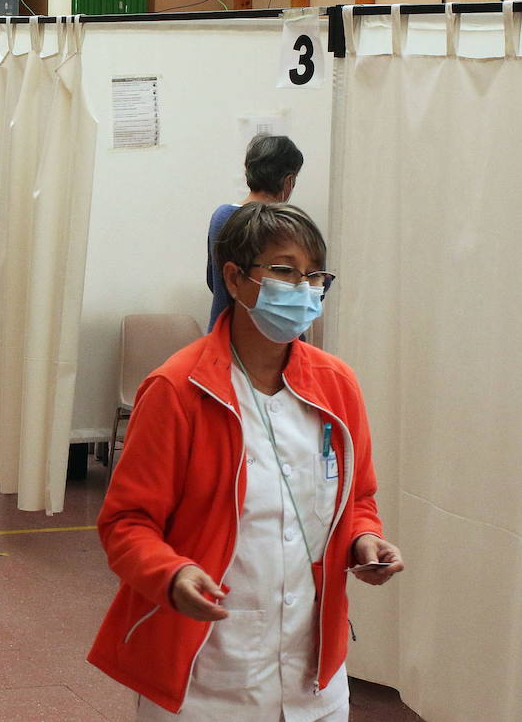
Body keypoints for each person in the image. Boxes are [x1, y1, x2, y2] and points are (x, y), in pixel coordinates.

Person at [88, 203, 405, 721]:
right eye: (283, 271)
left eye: (313, 275)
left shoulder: (336, 386)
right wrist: (172, 574)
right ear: (234, 278)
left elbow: (359, 498)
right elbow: (126, 523)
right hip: (207, 677)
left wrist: (363, 539)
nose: (301, 289)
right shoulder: (178, 388)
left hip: (314, 677)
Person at [207, 135, 303, 331]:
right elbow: (306, 286)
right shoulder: (287, 225)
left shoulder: (221, 216)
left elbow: (212, 279)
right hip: (272, 339)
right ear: (288, 181)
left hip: (224, 334)